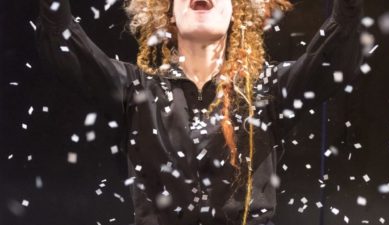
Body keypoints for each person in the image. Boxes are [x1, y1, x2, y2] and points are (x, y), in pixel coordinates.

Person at [36, 0, 363, 224]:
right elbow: (62, 40)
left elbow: (336, 55)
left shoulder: (268, 89)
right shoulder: (134, 88)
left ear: (236, 10)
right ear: (168, 12)